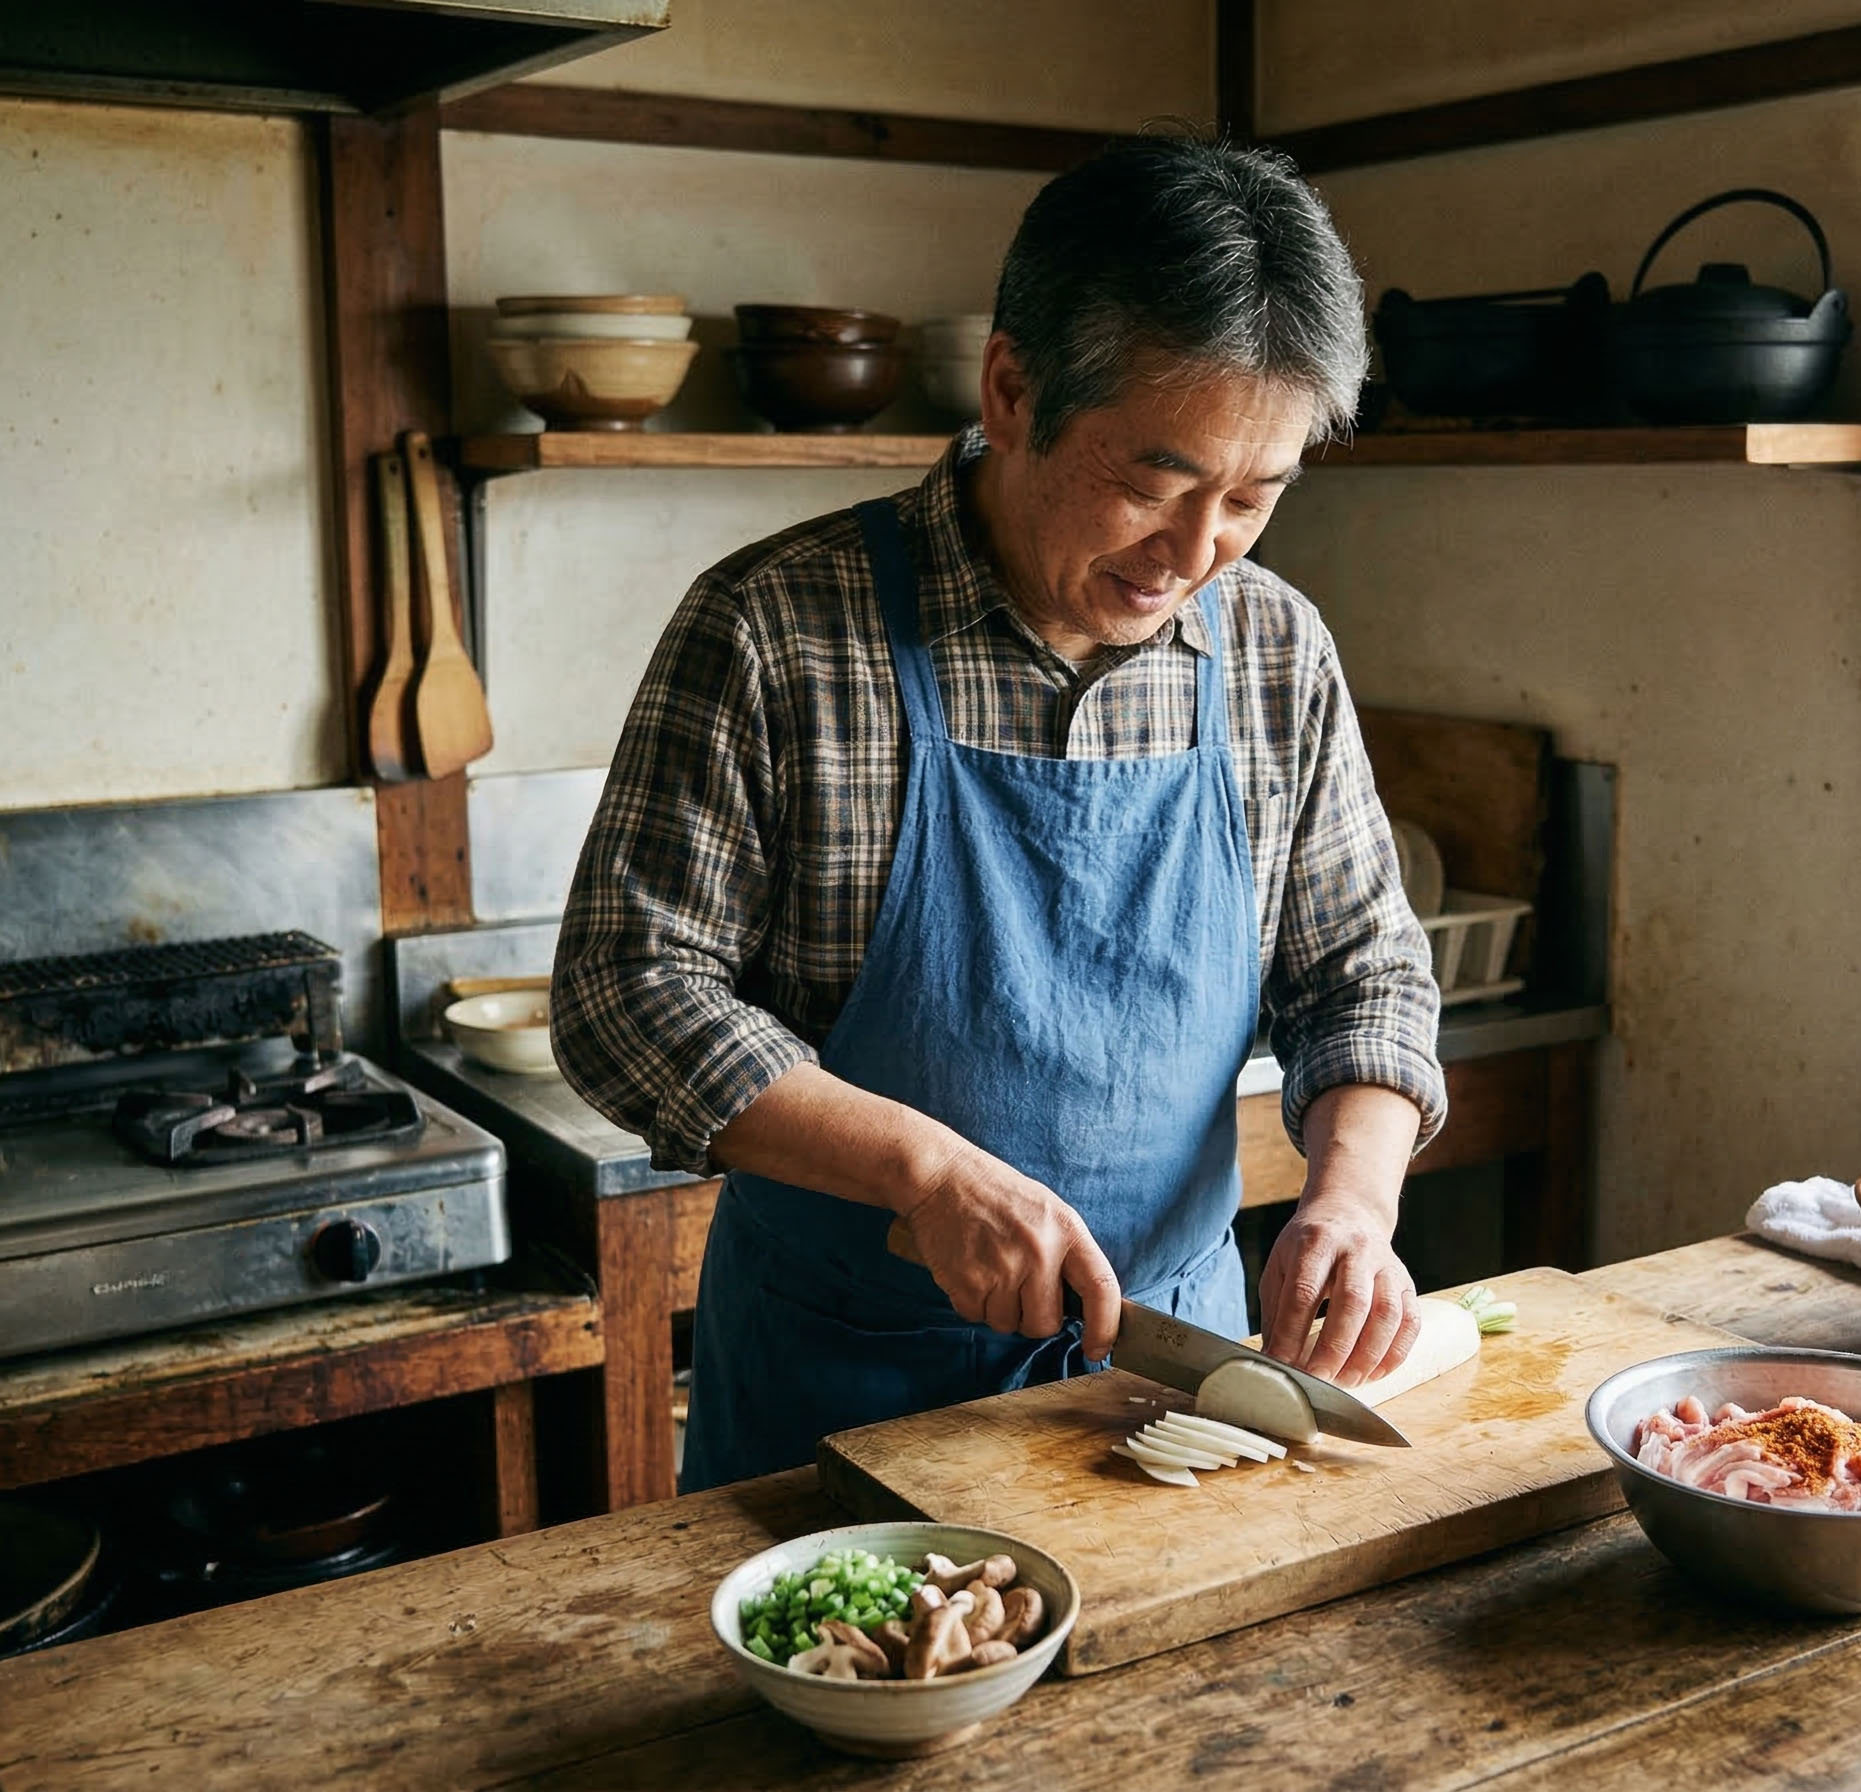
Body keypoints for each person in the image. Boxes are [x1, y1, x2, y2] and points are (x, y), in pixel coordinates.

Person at [552, 135, 1447, 1493]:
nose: (1194, 554)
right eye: (1154, 482)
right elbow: (627, 994)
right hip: (841, 1399)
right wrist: (923, 1171)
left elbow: (1364, 973)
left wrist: (1353, 1201)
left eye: (1253, 499)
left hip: (1176, 1397)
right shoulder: (778, 631)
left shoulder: (1273, 650)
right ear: (1012, 389)